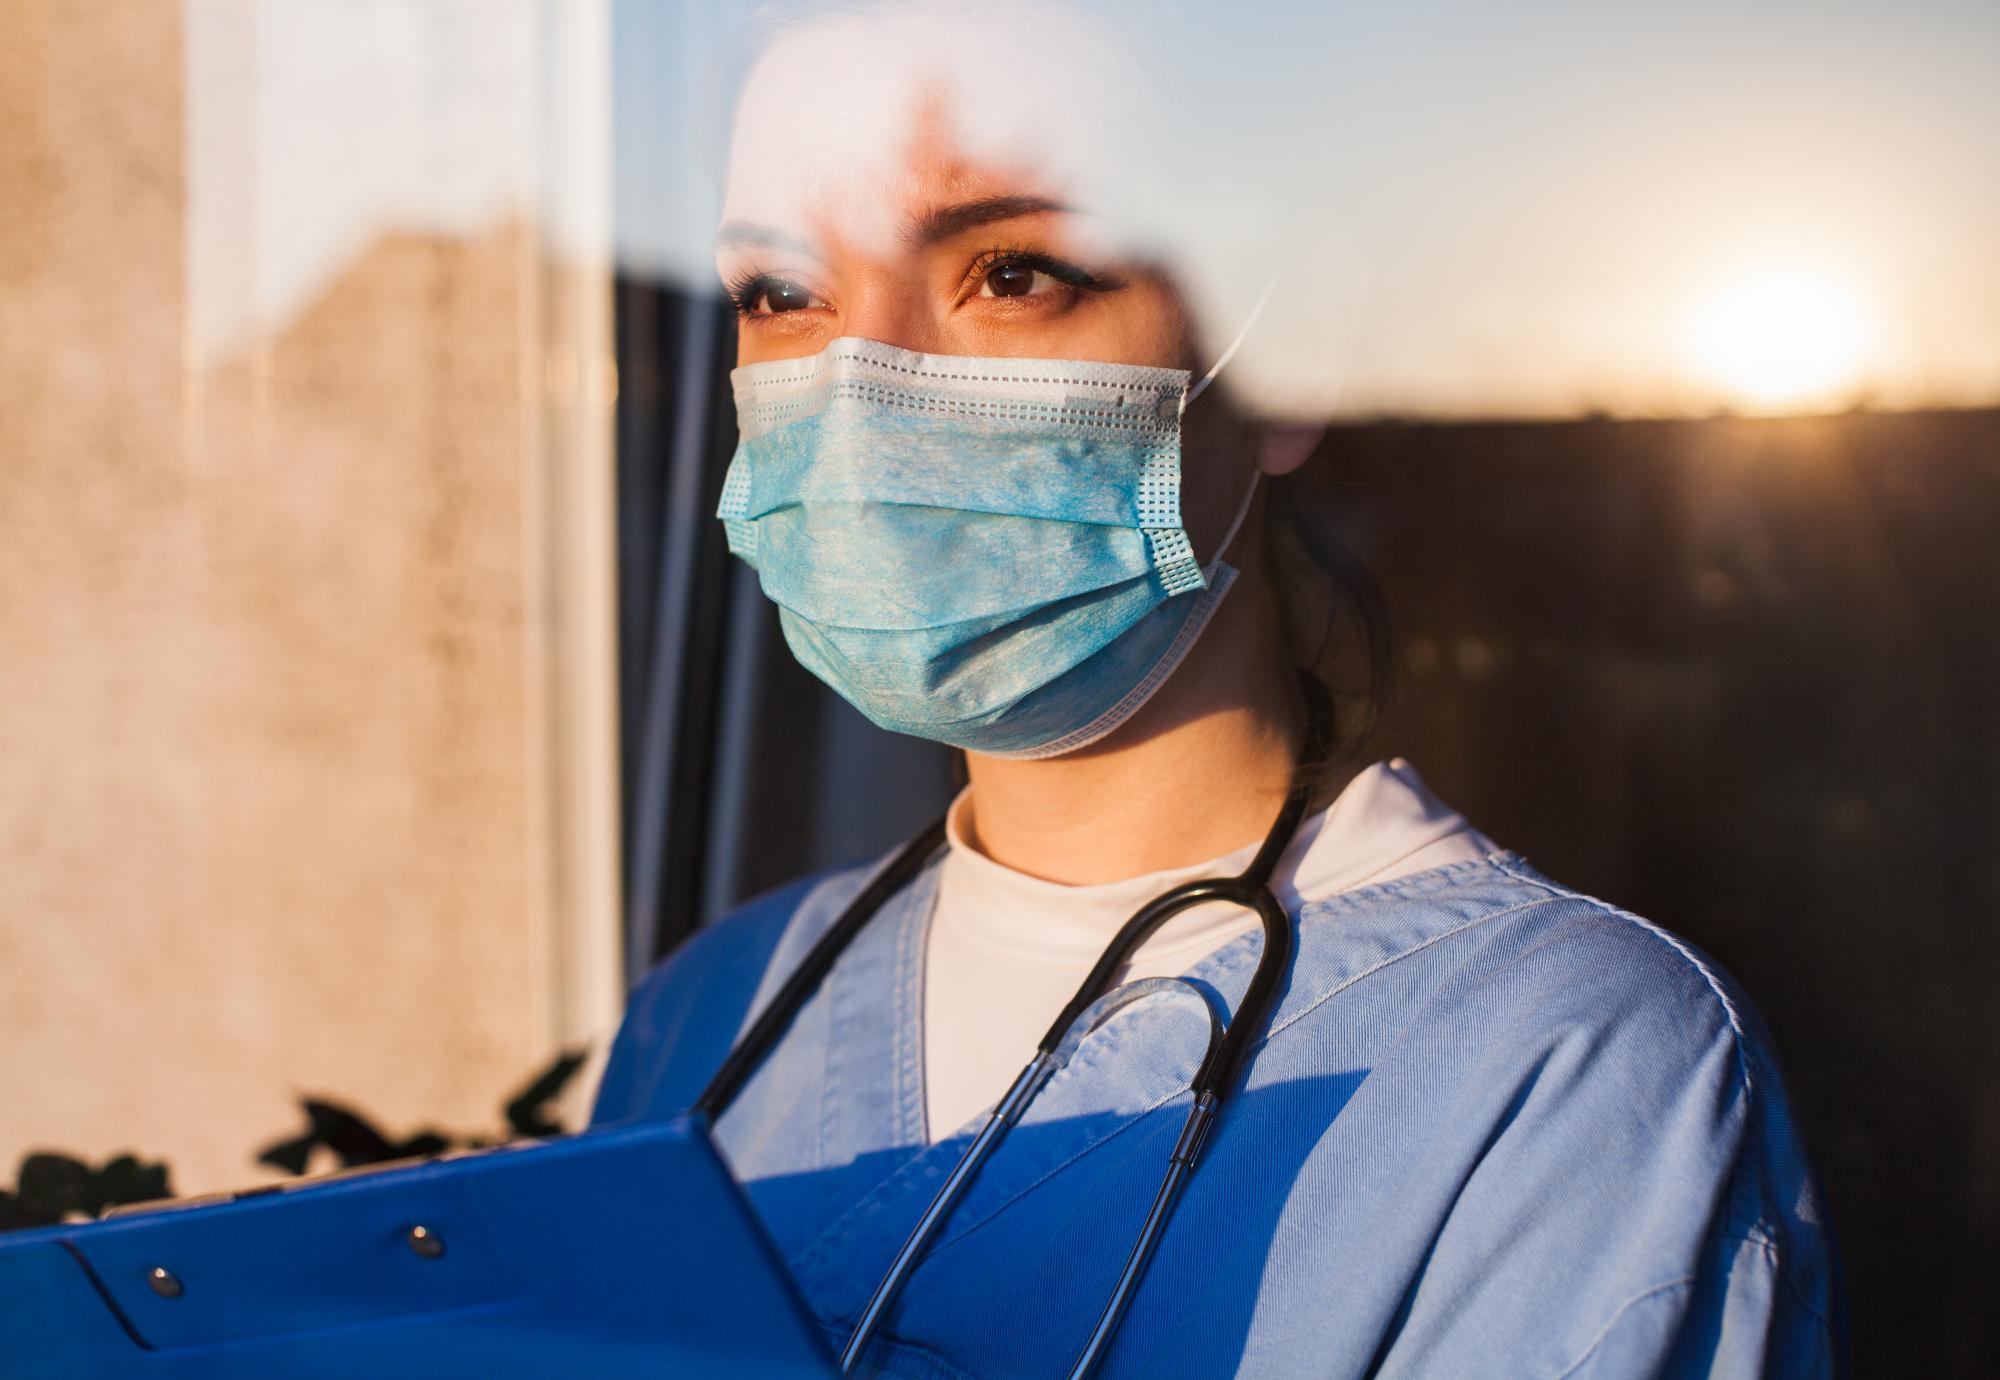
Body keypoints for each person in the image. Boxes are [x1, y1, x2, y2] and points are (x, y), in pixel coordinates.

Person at [592, 3, 1842, 1375]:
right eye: (781, 293)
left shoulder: (1567, 1072)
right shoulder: (705, 1022)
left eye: (1012, 271)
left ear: (1290, 345)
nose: (863, 383)